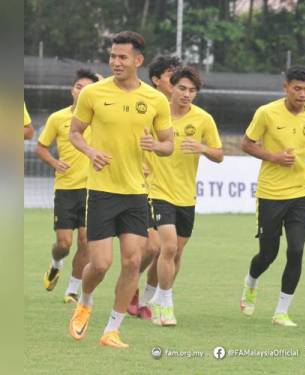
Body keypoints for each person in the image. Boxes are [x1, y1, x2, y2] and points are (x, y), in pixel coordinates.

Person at [68, 31, 173, 348]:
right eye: (112, 56)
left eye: (122, 57)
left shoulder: (155, 100)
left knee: (132, 262)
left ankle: (112, 330)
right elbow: (75, 133)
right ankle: (85, 301)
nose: (115, 62)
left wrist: (156, 145)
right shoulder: (94, 94)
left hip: (137, 194)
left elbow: (169, 145)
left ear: (138, 60)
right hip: (101, 191)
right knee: (100, 264)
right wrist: (90, 152)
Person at [239, 66, 305, 327]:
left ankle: (281, 311)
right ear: (285, 87)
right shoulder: (266, 113)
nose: (303, 94)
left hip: (300, 193)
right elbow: (246, 143)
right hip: (270, 193)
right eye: (297, 88)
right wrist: (273, 157)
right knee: (268, 253)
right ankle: (251, 282)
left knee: (296, 250)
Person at [146, 66, 223, 326]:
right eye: (182, 88)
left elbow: (219, 154)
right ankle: (166, 304)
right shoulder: (157, 112)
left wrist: (202, 147)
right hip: (156, 191)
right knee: (167, 246)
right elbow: (140, 141)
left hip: (186, 196)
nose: (187, 94)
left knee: (176, 253)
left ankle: (157, 297)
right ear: (172, 87)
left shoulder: (204, 119)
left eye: (192, 90)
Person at [37, 69, 100, 302]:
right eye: (78, 87)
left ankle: (72, 290)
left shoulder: (100, 118)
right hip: (65, 190)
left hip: (92, 189)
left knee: (86, 241)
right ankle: (55, 264)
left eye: (88, 88)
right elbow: (41, 147)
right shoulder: (57, 118)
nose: (82, 91)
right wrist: (54, 162)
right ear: (72, 90)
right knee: (64, 244)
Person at [127, 55, 181, 320]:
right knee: (153, 247)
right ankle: (132, 288)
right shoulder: (144, 103)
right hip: (144, 187)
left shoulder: (188, 110)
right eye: (172, 77)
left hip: (176, 192)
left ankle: (146, 298)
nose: (178, 84)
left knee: (166, 249)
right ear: (156, 80)